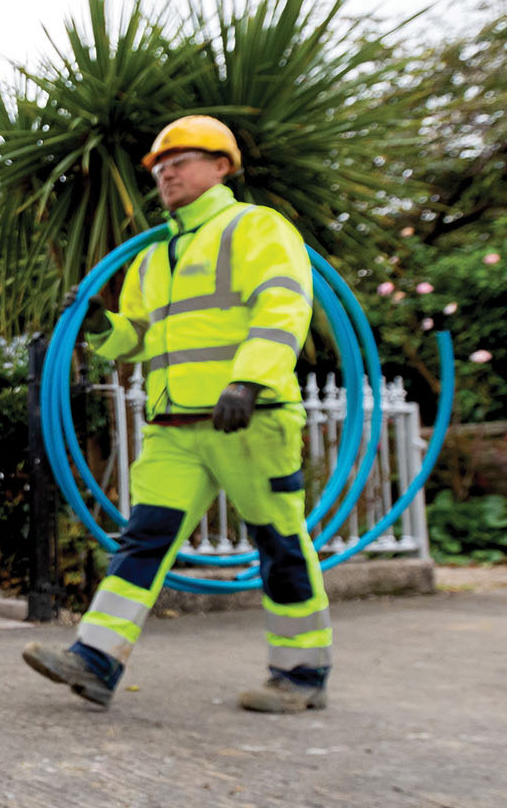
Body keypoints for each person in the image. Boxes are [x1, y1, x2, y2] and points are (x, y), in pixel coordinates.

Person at [22, 115, 331, 713]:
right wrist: (98, 327)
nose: (167, 171)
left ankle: (302, 672)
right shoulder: (152, 259)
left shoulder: (255, 228)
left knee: (278, 540)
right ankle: (96, 659)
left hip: (250, 418)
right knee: (142, 540)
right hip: (173, 429)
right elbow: (135, 339)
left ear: (222, 168)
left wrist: (249, 380)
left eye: (182, 159)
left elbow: (283, 306)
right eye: (161, 165)